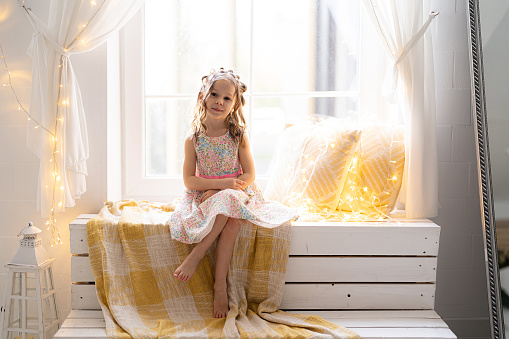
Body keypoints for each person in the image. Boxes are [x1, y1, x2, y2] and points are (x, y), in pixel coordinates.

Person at [169, 68, 298, 318]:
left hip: (238, 192)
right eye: (214, 95)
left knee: (230, 206)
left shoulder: (237, 135)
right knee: (229, 214)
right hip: (207, 195)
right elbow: (189, 180)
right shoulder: (193, 139)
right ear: (201, 97)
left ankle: (205, 266)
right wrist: (218, 186)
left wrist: (227, 187)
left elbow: (249, 175)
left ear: (235, 102)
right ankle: (219, 286)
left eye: (227, 98)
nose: (219, 101)